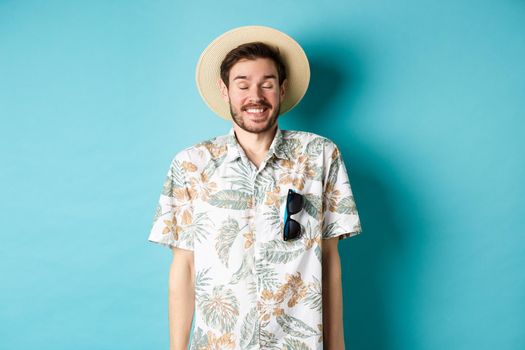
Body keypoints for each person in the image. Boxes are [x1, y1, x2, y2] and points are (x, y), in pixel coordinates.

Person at [148, 25, 362, 350]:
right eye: (243, 84)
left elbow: (329, 260)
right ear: (225, 91)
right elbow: (184, 267)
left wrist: (337, 346)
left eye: (267, 84)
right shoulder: (191, 164)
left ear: (283, 89)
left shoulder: (320, 156)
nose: (256, 97)